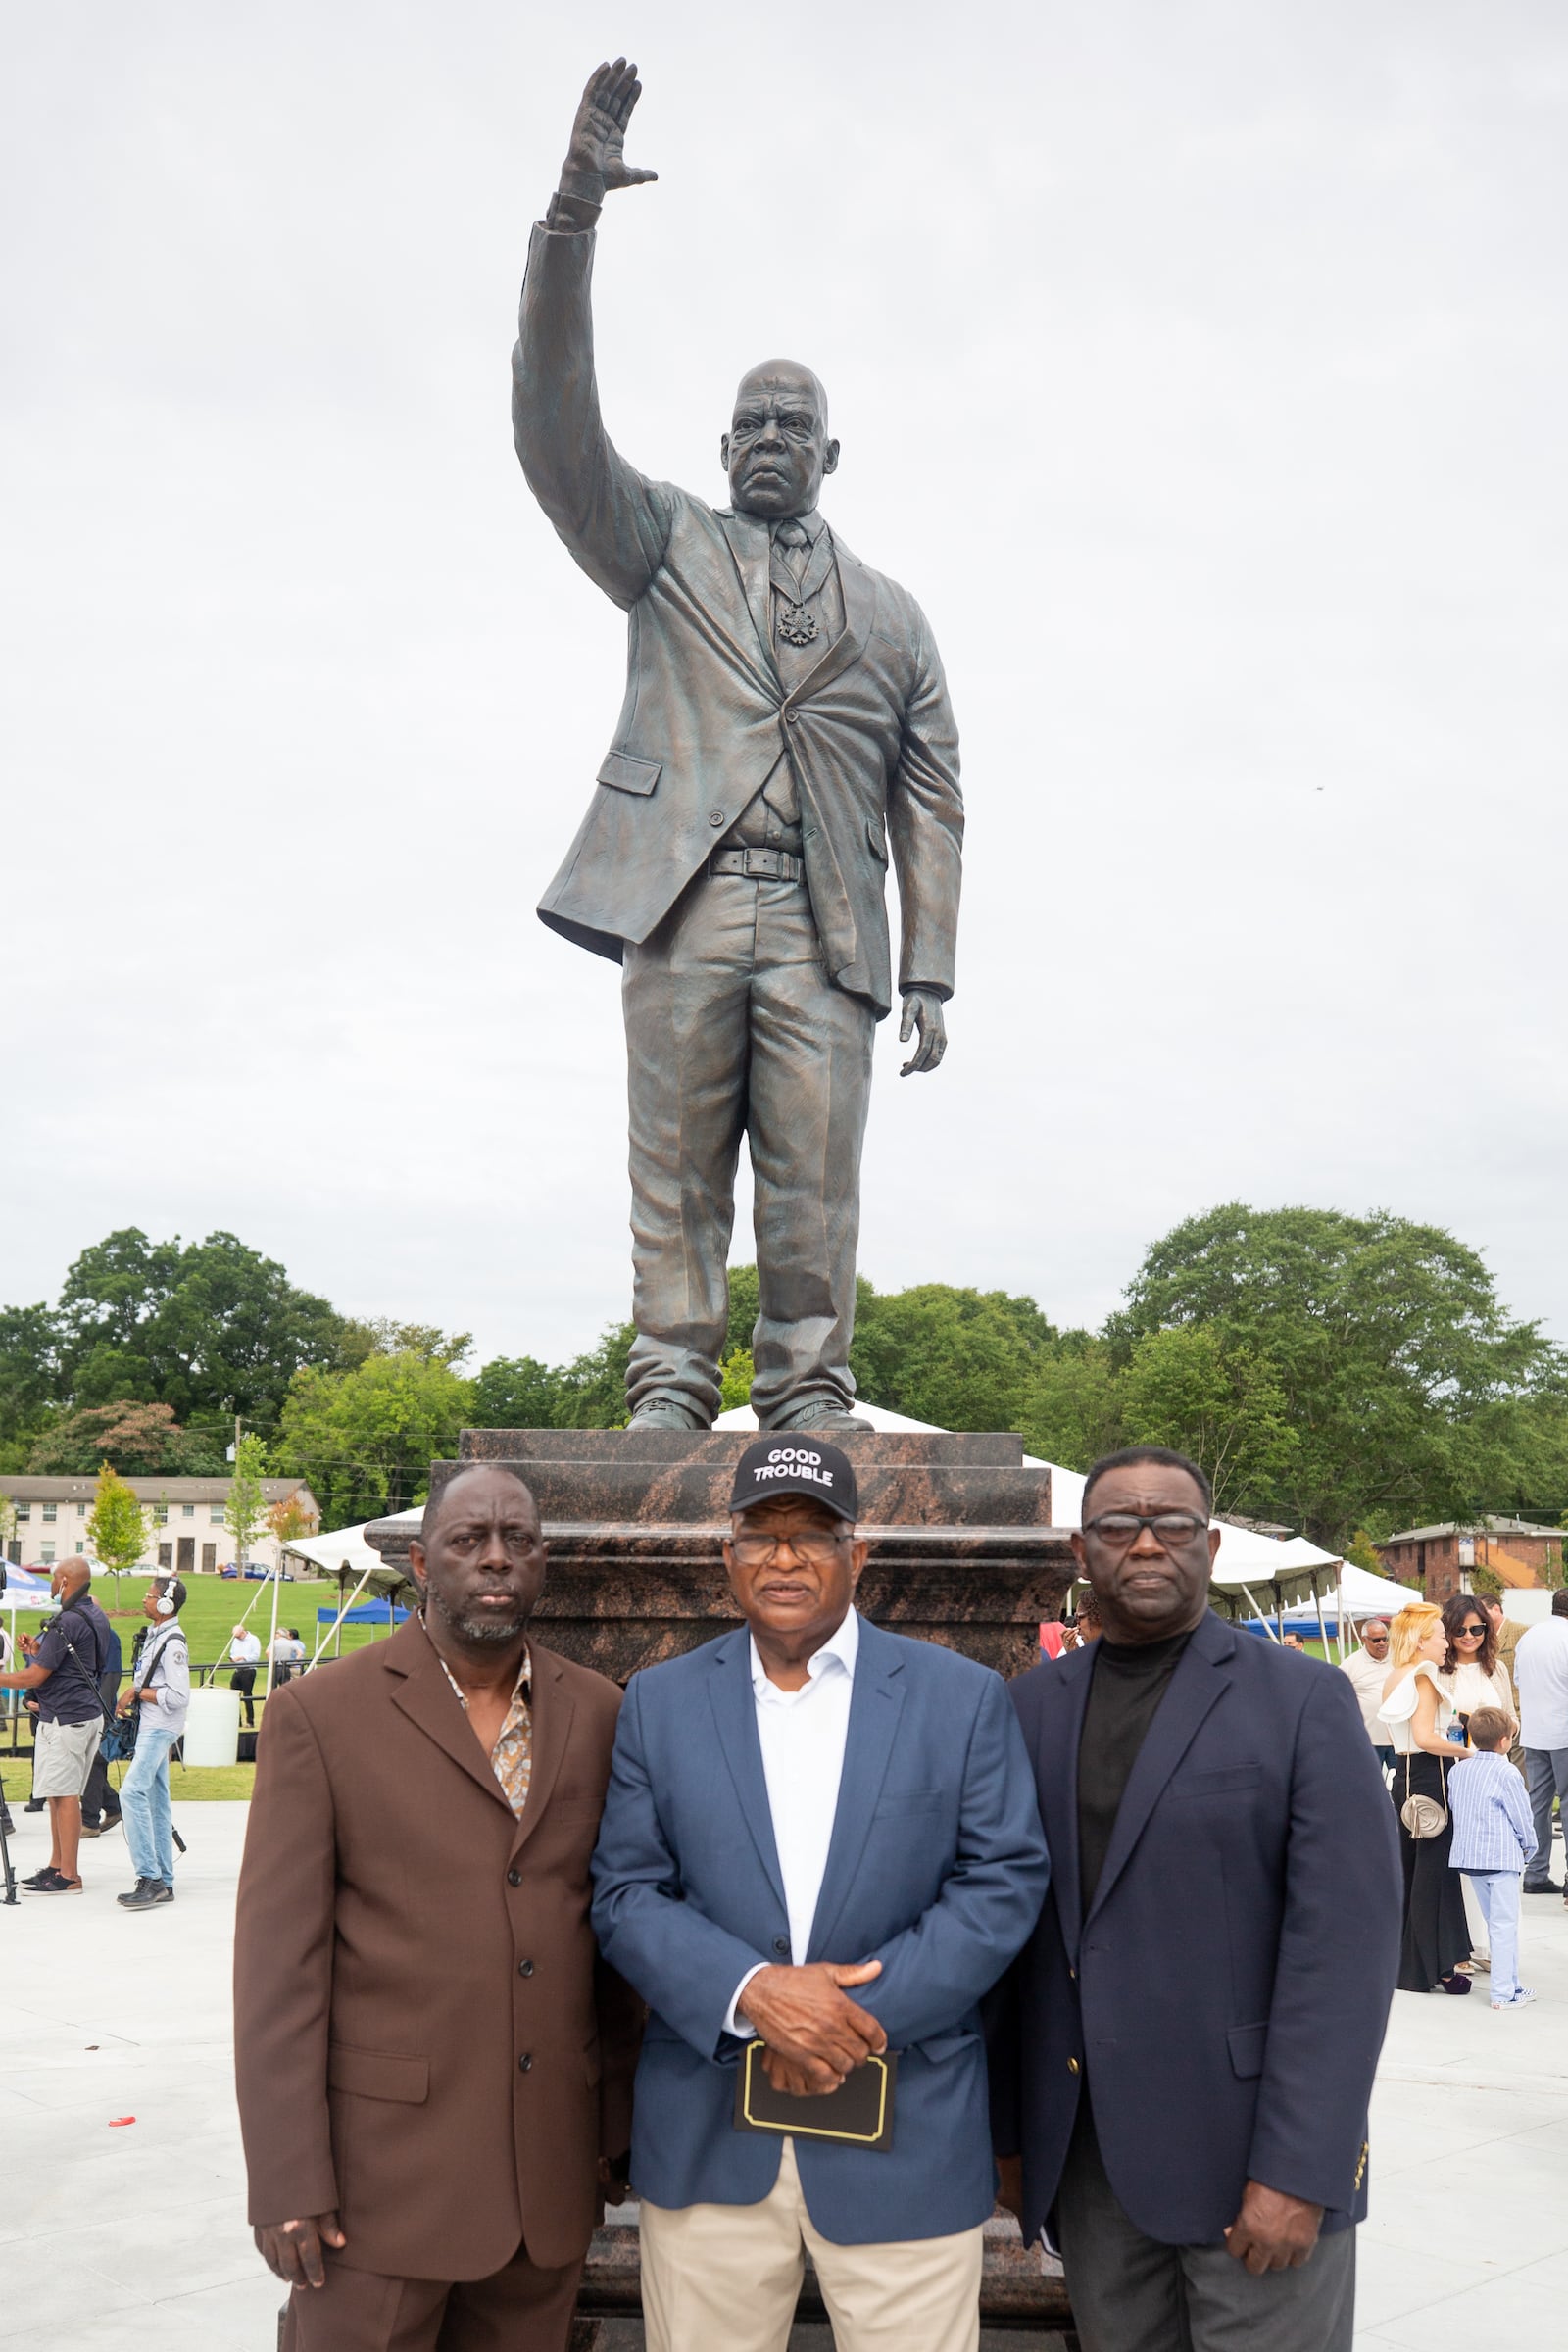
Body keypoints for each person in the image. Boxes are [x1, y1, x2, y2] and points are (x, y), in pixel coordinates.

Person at [513, 63, 964, 1435]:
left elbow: (935, 791)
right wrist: (571, 219)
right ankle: (668, 1384)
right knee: (678, 1166)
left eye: (795, 427)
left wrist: (929, 965)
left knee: (814, 1182)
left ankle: (809, 1390)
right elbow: (554, 425)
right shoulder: (664, 548)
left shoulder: (893, 616)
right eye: (750, 425)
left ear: (833, 453)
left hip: (828, 923)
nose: (771, 440)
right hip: (687, 896)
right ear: (721, 446)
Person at [590, 1437, 1049, 2352]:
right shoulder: (659, 1702)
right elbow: (626, 1892)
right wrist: (757, 1996)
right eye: (761, 1535)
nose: (786, 1557)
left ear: (859, 1555)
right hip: (710, 2139)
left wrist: (843, 2018)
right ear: (728, 1559)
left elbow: (1002, 1882)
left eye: (815, 1536)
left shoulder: (961, 1699)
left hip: (904, 2133)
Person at [988, 1447, 1400, 2352]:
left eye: (1171, 1526)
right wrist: (1012, 2142)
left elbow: (1345, 1956)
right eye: (1117, 1527)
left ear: (1209, 1545)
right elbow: (1013, 1943)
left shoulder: (1303, 1702)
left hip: (1251, 2163)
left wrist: (1301, 2170)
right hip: (1092, 2170)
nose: (1146, 1545)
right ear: (1078, 1550)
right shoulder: (1026, 1711)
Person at [235, 1465, 641, 2352]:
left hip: (548, 2187)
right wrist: (284, 2176)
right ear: (421, 1563)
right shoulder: (319, 1716)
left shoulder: (604, 1713)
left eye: (518, 1542)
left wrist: (614, 2132)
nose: (495, 1560)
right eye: (468, 1542)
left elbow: (613, 1940)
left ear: (543, 1562)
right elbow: (277, 1971)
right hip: (378, 2191)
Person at [0, 1558, 115, 1894]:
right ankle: (56, 1865)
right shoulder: (94, 1615)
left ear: (65, 1581)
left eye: (53, 1580)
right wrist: (38, 1649)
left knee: (64, 1797)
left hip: (66, 1717)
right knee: (56, 1794)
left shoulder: (66, 1620)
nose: (51, 1586)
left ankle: (69, 1876)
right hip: (79, 1714)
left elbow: (35, 1676)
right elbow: (73, 1661)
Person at [1380, 1601, 1472, 1993]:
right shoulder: (1423, 1675)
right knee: (1434, 1876)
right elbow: (1426, 1737)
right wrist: (1470, 1752)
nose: (1447, 1643)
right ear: (1421, 1641)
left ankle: (1410, 1965)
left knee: (1413, 1872)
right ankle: (1437, 1967)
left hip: (1405, 1778)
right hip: (1430, 1777)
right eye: (1439, 1635)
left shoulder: (1395, 1675)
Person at [1446, 1705, 1537, 2011]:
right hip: (1500, 1857)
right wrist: (1529, 1846)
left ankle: (1512, 1984)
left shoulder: (1458, 1770)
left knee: (1495, 1922)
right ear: (1504, 1741)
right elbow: (1521, 1816)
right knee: (1504, 1924)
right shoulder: (1507, 1771)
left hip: (1470, 1857)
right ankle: (1503, 1992)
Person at [116, 1575, 190, 1911]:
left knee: (130, 1792)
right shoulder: (157, 1635)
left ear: (165, 1604)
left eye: (149, 1596)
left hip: (159, 1728)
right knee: (158, 1804)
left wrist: (137, 1692)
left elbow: (178, 1696)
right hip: (153, 1727)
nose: (144, 1600)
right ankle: (165, 1880)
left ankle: (150, 1877)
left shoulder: (172, 1643)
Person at [1514, 1588, 1568, 1897]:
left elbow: (1519, 1680)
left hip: (1533, 1733)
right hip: (1563, 1734)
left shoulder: (1530, 1636)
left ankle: (1535, 1873)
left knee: (1538, 1805)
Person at [1440, 1595, 1517, 1740]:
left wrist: (1502, 1727)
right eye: (1460, 1631)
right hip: (1455, 1758)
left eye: (1476, 1630)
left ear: (1486, 1630)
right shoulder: (1438, 1671)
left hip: (1494, 1758)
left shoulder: (1498, 1669)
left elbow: (1512, 1718)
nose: (1469, 1636)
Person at [1476, 1594, 1527, 1776]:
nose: (1480, 1617)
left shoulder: (1520, 1631)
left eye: (1484, 1612)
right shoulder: (1481, 1639)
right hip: (1491, 1720)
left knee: (1519, 1772)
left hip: (1518, 1713)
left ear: (1496, 1609)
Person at [1339, 1619, 1395, 1772]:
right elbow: (1337, 1697)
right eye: (1376, 1640)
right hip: (1368, 1741)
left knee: (1401, 1786)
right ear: (1364, 1639)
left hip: (1398, 1740)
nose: (1382, 1643)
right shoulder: (1351, 1664)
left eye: (1385, 1638)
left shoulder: (1399, 1659)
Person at [228, 1623, 262, 1726]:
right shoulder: (235, 1640)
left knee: (247, 1695)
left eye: (238, 1636)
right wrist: (233, 1659)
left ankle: (250, 1721)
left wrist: (243, 1657)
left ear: (242, 1632)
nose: (237, 1638)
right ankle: (237, 1721)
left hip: (249, 1670)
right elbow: (232, 1652)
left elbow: (255, 1656)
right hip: (238, 1670)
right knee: (234, 1695)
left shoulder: (253, 1639)